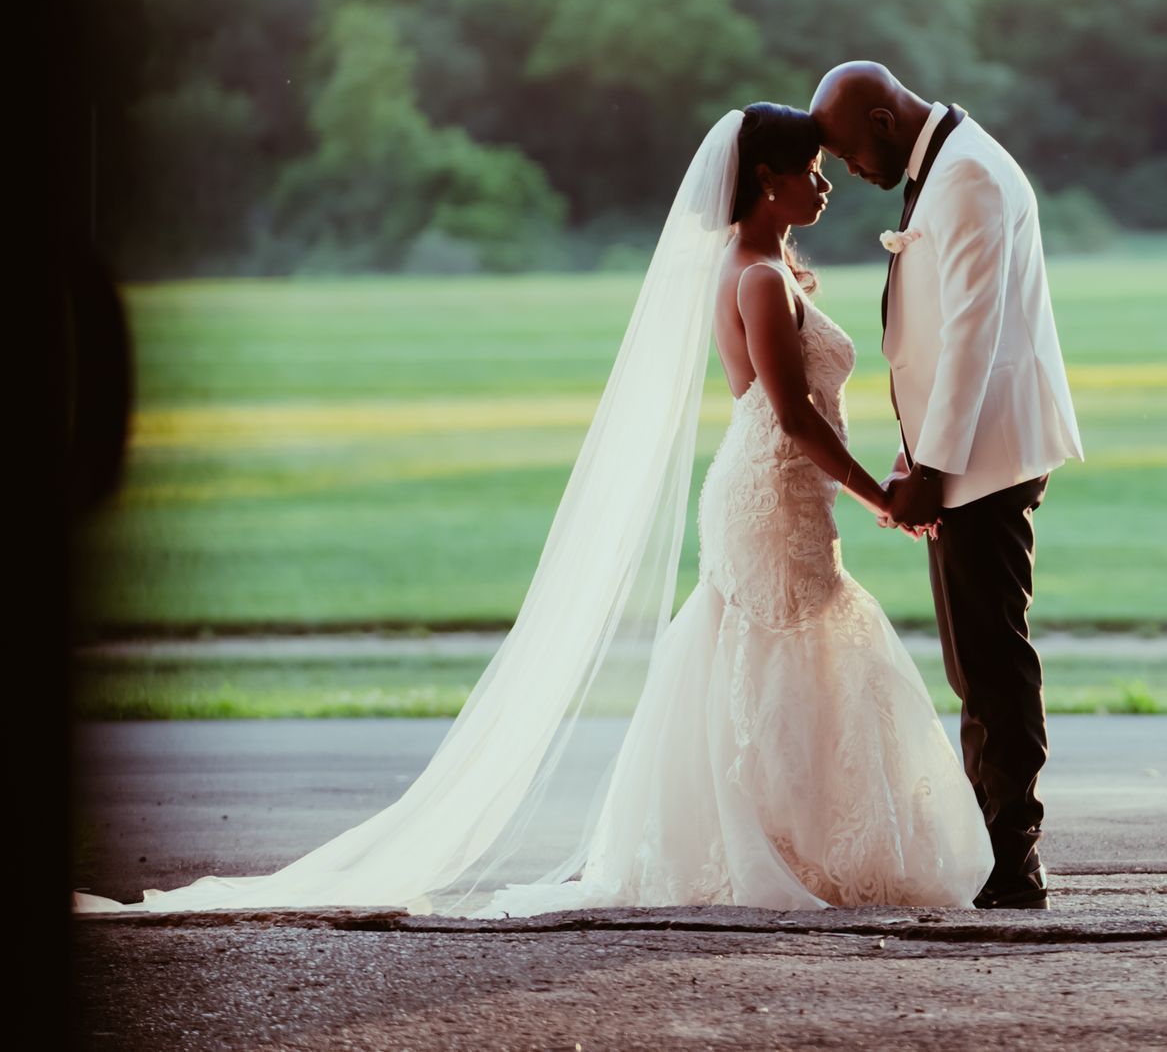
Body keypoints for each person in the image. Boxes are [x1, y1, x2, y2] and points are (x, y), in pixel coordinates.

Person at [74, 104, 994, 917]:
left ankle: (790, 843)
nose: (825, 186)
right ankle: (786, 847)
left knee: (777, 652)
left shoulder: (756, 267)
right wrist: (886, 494)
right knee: (790, 644)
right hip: (770, 492)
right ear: (766, 178)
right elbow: (789, 414)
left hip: (771, 491)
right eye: (811, 171)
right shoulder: (757, 278)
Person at [810, 62, 1084, 909]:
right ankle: (994, 839)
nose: (849, 172)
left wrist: (931, 470)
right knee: (978, 655)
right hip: (962, 450)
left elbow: (972, 335)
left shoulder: (966, 174)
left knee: (991, 656)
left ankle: (1012, 853)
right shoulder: (952, 161)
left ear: (887, 121)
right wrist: (917, 451)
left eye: (851, 154)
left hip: (985, 458)